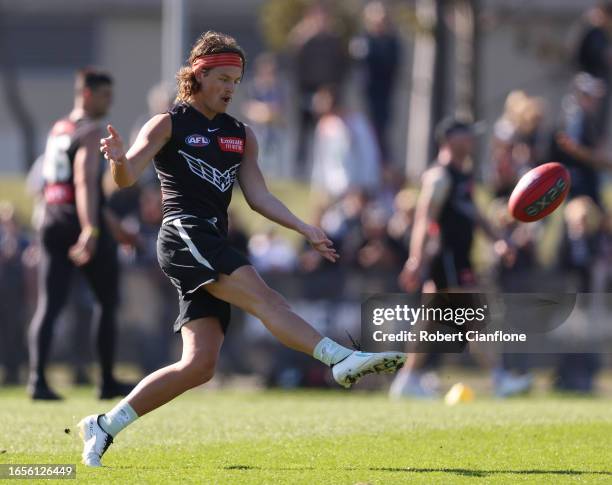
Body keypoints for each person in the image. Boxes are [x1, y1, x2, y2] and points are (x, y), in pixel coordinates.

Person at [78, 31, 405, 467]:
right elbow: (125, 177)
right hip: (183, 234)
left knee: (199, 365)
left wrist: (304, 226)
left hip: (212, 238)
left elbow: (259, 197)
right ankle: (339, 357)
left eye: (237, 79)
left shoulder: (241, 134)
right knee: (264, 296)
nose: (232, 88)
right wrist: (118, 159)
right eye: (224, 79)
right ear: (199, 76)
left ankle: (102, 426)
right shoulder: (168, 123)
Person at [390, 118, 532, 399]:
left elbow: (474, 215)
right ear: (450, 140)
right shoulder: (439, 176)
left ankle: (406, 380)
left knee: (429, 318)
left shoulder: (463, 175)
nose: (471, 142)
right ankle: (498, 377)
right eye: (466, 136)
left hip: (460, 257)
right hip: (447, 258)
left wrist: (499, 240)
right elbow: (423, 219)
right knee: (472, 316)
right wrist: (416, 259)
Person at [27, 68, 137, 400]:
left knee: (50, 305)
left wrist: (116, 229)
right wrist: (92, 228)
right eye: (105, 95)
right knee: (106, 301)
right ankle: (106, 380)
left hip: (51, 222)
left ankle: (38, 380)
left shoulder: (59, 129)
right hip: (80, 225)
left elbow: (55, 187)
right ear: (87, 94)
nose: (110, 101)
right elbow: (84, 183)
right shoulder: (90, 132)